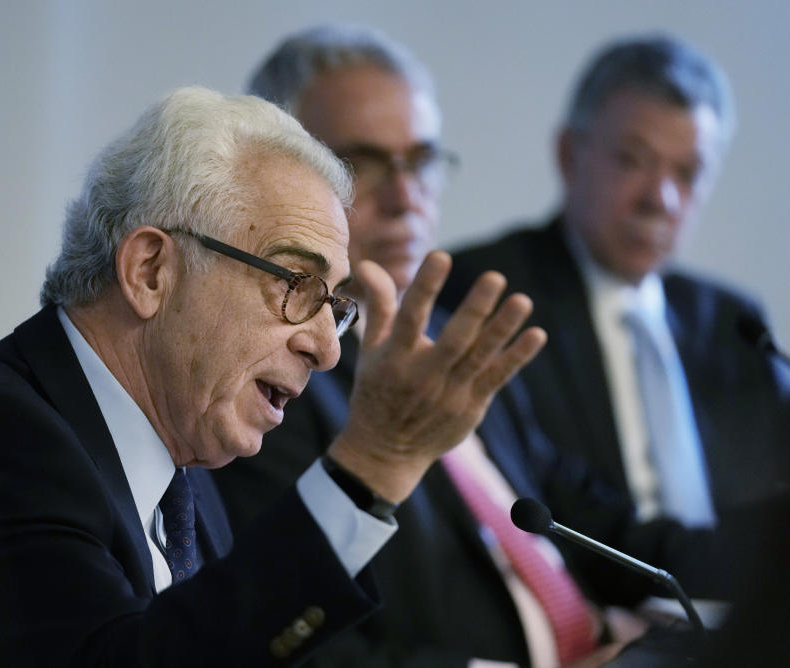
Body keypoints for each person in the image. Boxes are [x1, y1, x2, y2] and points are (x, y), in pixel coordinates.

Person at [0, 87, 545, 666]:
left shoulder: (186, 479)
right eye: (295, 282)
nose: (327, 347)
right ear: (150, 270)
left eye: (336, 305)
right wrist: (373, 465)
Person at [213, 26, 725, 668]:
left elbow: (601, 530)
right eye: (361, 165)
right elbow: (294, 642)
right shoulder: (263, 369)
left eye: (422, 161)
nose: (406, 197)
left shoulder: (458, 333)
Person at [438, 34, 790, 528]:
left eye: (688, 172)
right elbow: (526, 505)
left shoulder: (734, 322)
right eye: (632, 160)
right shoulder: (487, 291)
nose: (661, 199)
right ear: (568, 155)